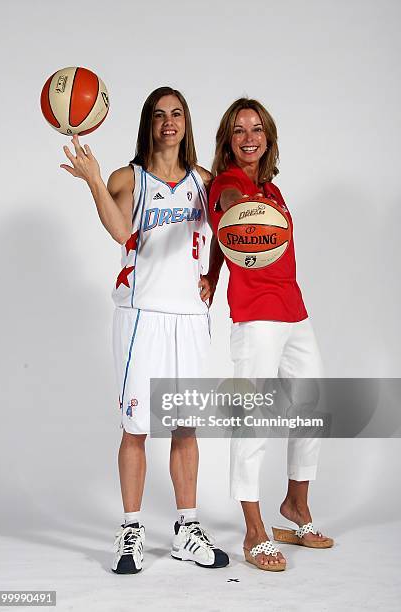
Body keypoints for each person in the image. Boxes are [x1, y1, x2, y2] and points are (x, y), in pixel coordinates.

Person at [61, 86, 228, 574]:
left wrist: (212, 276)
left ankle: (186, 528)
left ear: (186, 122)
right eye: (160, 115)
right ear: (148, 123)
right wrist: (93, 180)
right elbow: (118, 230)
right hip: (141, 316)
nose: (169, 122)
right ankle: (131, 529)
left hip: (190, 320)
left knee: (184, 425)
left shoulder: (204, 180)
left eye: (176, 114)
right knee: (136, 427)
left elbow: (229, 231)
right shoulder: (127, 177)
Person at [208, 97, 333, 572]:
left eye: (256, 129)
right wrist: (237, 208)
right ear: (228, 140)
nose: (249, 138)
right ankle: (253, 530)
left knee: (312, 405)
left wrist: (213, 271)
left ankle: (296, 505)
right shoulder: (229, 184)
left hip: (293, 309)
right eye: (238, 131)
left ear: (268, 137)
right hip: (256, 316)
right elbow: (229, 213)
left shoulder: (274, 189)